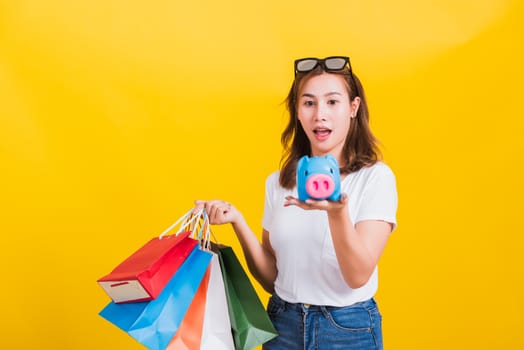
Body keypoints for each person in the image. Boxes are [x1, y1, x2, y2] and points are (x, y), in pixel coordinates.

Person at [195, 56, 398, 350]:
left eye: (332, 102)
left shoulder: (375, 178)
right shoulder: (279, 182)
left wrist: (337, 212)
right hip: (282, 323)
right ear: (297, 112)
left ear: (353, 108)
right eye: (308, 103)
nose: (320, 115)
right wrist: (238, 221)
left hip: (347, 329)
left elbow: (357, 275)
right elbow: (274, 279)